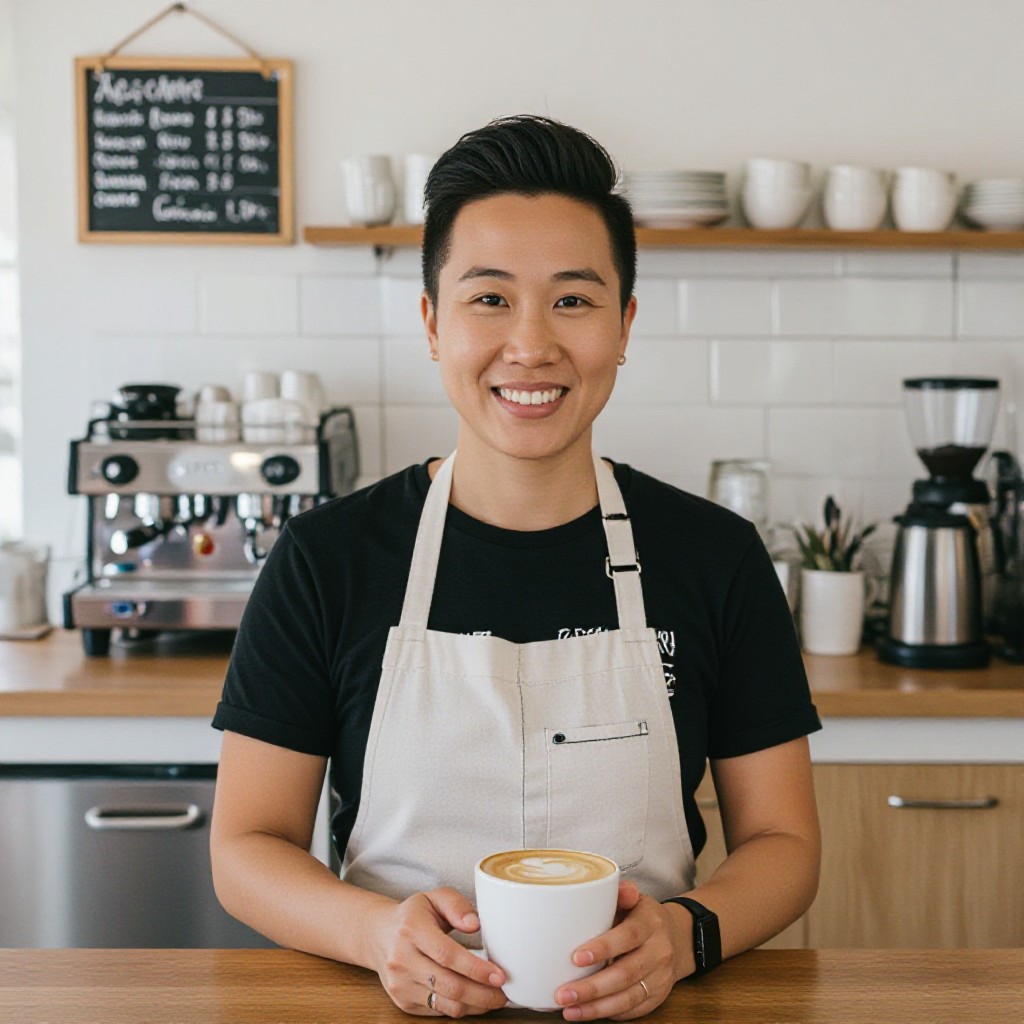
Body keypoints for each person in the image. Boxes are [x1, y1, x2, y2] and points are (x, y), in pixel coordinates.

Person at [210, 114, 822, 1021]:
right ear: (432, 323)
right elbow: (246, 846)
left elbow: (783, 841)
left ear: (624, 325)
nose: (531, 345)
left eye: (573, 300)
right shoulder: (325, 560)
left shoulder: (715, 557)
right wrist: (374, 934)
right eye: (490, 298)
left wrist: (687, 933)